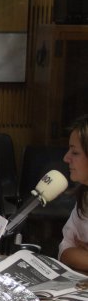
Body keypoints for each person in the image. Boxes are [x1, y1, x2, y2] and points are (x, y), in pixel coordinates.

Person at [59, 116, 88, 272]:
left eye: (75, 152)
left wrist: (81, 255)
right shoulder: (85, 197)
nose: (66, 158)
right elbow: (65, 249)